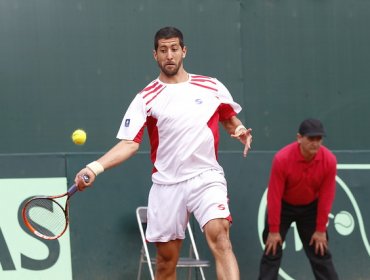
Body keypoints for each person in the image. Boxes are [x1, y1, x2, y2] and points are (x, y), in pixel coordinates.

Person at [74, 26, 252, 280]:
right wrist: (94, 167)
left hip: (206, 177)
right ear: (155, 55)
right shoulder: (145, 98)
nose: (169, 55)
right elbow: (129, 143)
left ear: (184, 51)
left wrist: (241, 129)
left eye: (174, 49)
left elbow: (227, 116)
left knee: (221, 237)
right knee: (166, 264)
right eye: (163, 50)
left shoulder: (210, 86)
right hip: (167, 185)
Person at [258, 118, 339, 280]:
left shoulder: (329, 160)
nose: (315, 143)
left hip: (311, 208)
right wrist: (274, 231)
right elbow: (274, 196)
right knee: (272, 249)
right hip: (283, 207)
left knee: (320, 250)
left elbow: (326, 196)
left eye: (319, 139)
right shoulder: (282, 159)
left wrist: (321, 229)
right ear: (299, 138)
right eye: (311, 138)